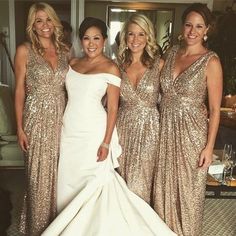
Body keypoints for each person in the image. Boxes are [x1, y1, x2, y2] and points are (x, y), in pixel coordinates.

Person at [42, 17, 176, 236]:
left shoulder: (112, 68)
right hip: (70, 131)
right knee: (67, 180)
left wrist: (106, 141)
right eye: (86, 38)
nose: (91, 43)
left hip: (94, 132)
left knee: (97, 182)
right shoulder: (72, 64)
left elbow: (112, 108)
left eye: (96, 38)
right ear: (81, 40)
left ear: (104, 40)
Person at [153, 3, 223, 236]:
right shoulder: (170, 53)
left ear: (207, 30)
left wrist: (209, 146)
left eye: (199, 26)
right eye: (189, 25)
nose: (193, 31)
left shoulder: (211, 61)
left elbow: (215, 109)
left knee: (187, 193)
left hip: (192, 135)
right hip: (164, 130)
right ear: (182, 27)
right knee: (164, 188)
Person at [14, 2, 69, 235]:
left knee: (60, 177)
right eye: (39, 20)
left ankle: (57, 229)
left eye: (48, 19)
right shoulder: (24, 50)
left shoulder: (66, 51)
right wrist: (19, 128)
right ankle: (37, 230)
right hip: (36, 119)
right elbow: (19, 90)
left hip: (62, 119)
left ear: (54, 21)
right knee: (38, 180)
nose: (45, 25)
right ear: (32, 26)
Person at [116, 13, 164, 204]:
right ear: (125, 37)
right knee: (122, 178)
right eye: (131, 34)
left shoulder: (159, 65)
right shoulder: (117, 66)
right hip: (123, 128)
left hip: (150, 129)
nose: (135, 40)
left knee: (141, 181)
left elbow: (171, 96)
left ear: (148, 37)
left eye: (141, 34)